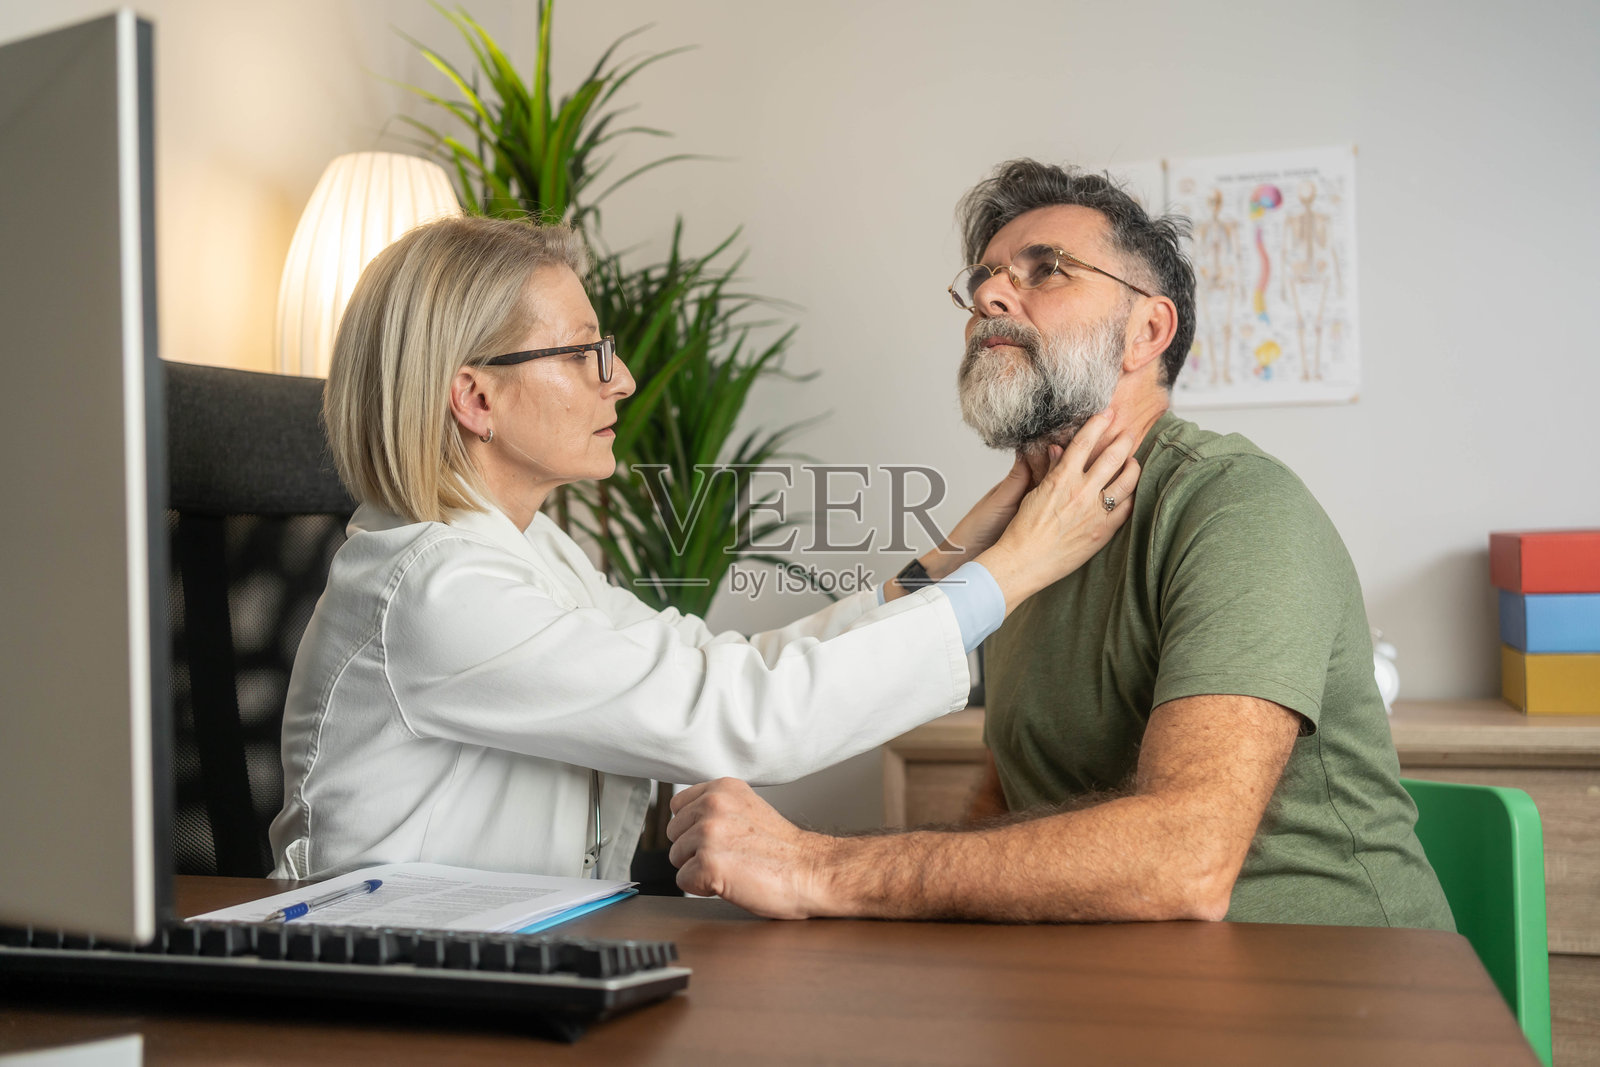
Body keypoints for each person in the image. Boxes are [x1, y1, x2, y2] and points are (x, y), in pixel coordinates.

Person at [666, 161, 1454, 930]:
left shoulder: (1237, 505)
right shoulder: (1022, 549)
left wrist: (817, 866)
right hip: (1112, 984)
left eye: (1047, 270)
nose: (989, 296)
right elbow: (1012, 802)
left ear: (1147, 330)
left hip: (1332, 983)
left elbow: (1184, 857)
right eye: (983, 280)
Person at [268, 214, 1140, 882]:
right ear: (476, 398)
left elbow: (719, 665)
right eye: (584, 354)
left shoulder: (531, 552)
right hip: (390, 996)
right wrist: (1016, 569)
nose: (621, 379)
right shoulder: (436, 592)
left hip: (514, 959)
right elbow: (739, 713)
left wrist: (952, 559)